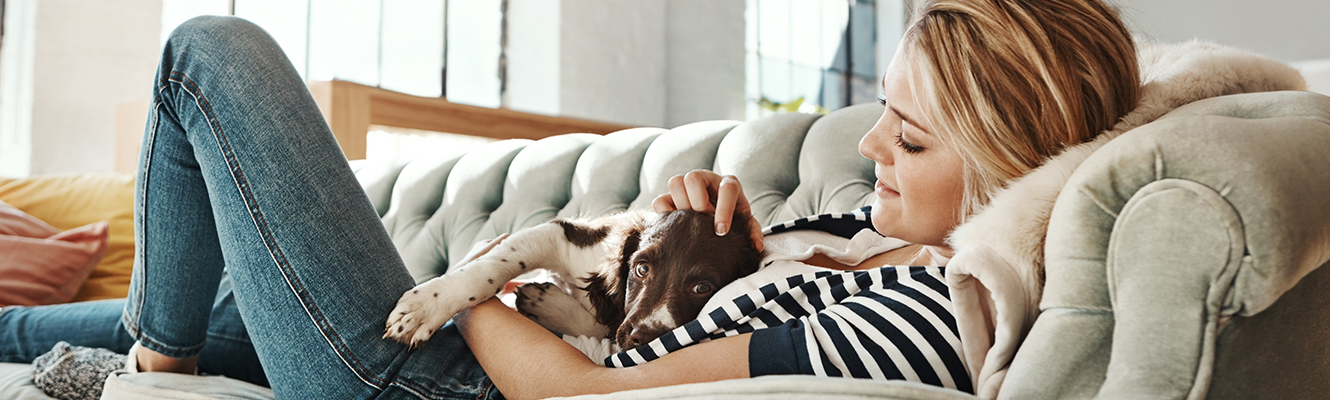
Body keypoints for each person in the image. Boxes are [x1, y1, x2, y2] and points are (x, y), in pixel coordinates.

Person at [0, 0, 1140, 398]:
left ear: (1004, 164)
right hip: (463, 333)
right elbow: (651, 308)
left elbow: (577, 393)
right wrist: (688, 227)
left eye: (913, 135)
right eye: (883, 109)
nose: (873, 145)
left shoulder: (931, 317)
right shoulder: (862, 234)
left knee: (208, 52)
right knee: (207, 309)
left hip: (446, 384)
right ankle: (101, 348)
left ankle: (154, 383)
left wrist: (480, 274)